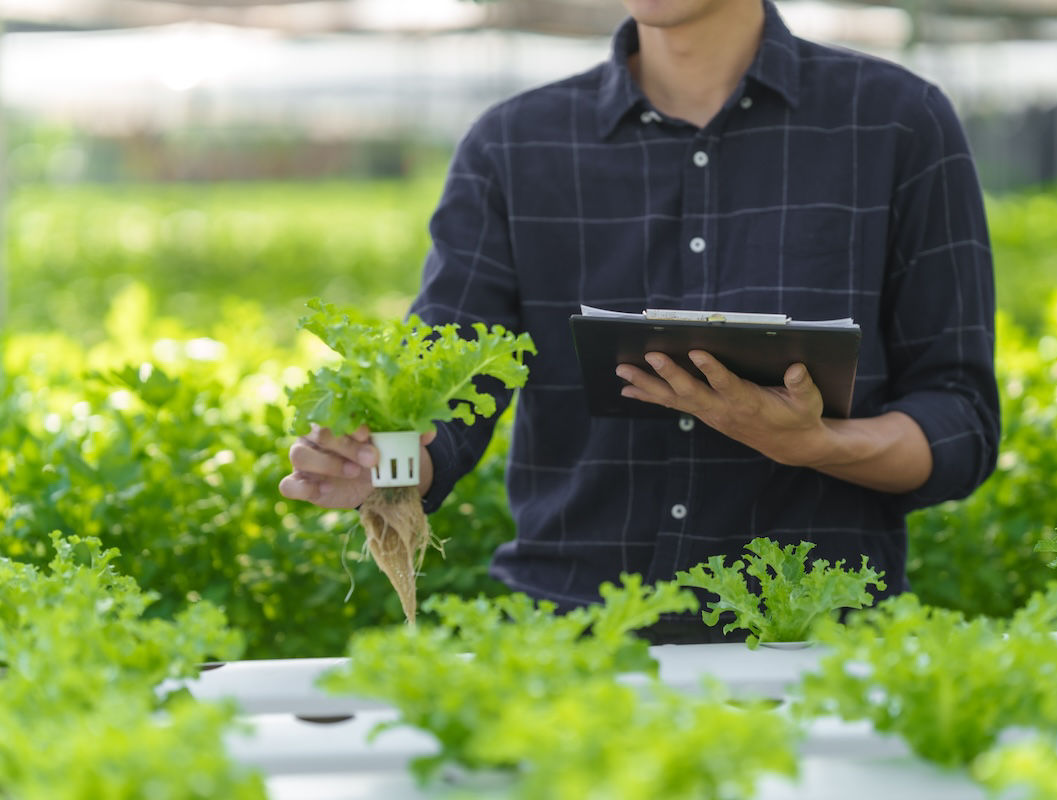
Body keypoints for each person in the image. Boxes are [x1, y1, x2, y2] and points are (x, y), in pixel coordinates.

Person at [280, 0, 1001, 642]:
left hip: (811, 644)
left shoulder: (895, 122)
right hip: (573, 640)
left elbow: (960, 419)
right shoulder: (514, 146)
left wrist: (818, 444)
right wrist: (388, 471)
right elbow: (449, 392)